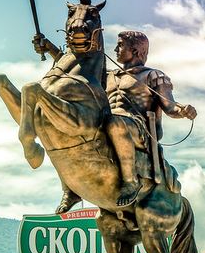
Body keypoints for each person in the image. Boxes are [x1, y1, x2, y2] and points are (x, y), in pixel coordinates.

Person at [48, 30, 196, 210]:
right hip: (106, 121)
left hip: (137, 127)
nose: (116, 48)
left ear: (134, 51)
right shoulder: (108, 76)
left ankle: (130, 181)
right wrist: (49, 48)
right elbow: (77, 66)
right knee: (66, 127)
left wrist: (183, 110)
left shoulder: (152, 75)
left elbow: (170, 106)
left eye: (120, 45)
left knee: (115, 122)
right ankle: (70, 188)